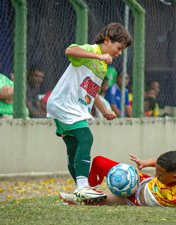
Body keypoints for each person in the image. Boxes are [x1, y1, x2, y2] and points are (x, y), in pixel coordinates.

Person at [46, 22, 132, 202]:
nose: (119, 52)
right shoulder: (92, 50)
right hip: (65, 104)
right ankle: (83, 187)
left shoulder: (102, 66)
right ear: (107, 41)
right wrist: (97, 56)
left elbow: (93, 91)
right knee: (86, 138)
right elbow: (70, 51)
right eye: (119, 47)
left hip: (72, 106)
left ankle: (80, 190)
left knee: (74, 146)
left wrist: (105, 110)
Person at [61, 150, 176, 209]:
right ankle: (90, 185)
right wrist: (145, 163)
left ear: (175, 177)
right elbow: (159, 160)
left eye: (160, 174)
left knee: (98, 200)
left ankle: (76, 197)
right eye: (156, 171)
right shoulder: (173, 169)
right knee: (98, 161)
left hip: (134, 199)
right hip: (138, 180)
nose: (157, 175)